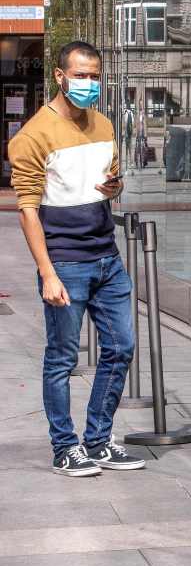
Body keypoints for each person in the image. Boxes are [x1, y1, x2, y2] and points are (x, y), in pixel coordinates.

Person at [9, 41, 145, 477]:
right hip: (66, 262)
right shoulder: (33, 135)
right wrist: (48, 274)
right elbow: (28, 209)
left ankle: (99, 441)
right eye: (81, 75)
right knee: (62, 359)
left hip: (107, 257)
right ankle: (65, 448)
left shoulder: (104, 125)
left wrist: (114, 188)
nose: (89, 84)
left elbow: (110, 182)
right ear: (59, 76)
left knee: (121, 347)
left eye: (95, 76)